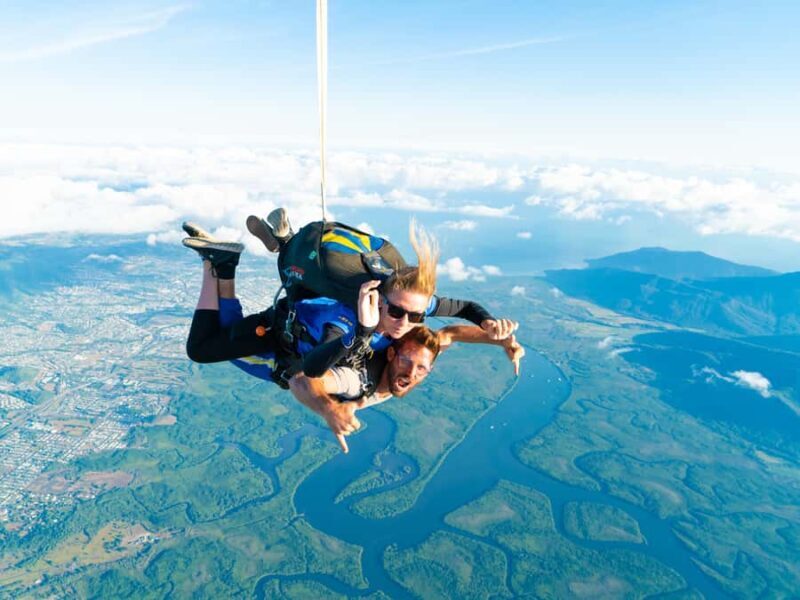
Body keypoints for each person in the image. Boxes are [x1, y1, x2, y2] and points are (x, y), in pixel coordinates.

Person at [182, 221, 524, 452]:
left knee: (223, 337)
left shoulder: (406, 327)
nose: (405, 323)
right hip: (278, 343)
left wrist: (496, 335)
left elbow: (450, 332)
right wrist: (330, 409)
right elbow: (306, 377)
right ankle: (223, 263)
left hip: (300, 325)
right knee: (204, 347)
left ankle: (261, 251)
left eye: (421, 368)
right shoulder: (356, 356)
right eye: (397, 312)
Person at [247, 209, 519, 382]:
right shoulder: (360, 309)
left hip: (330, 272)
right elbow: (313, 367)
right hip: (316, 294)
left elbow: (464, 309)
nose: (405, 322)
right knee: (289, 366)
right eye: (397, 312)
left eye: (416, 316)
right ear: (382, 302)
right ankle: (284, 242)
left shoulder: (412, 302)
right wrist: (361, 333)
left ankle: (285, 240)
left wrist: (488, 323)